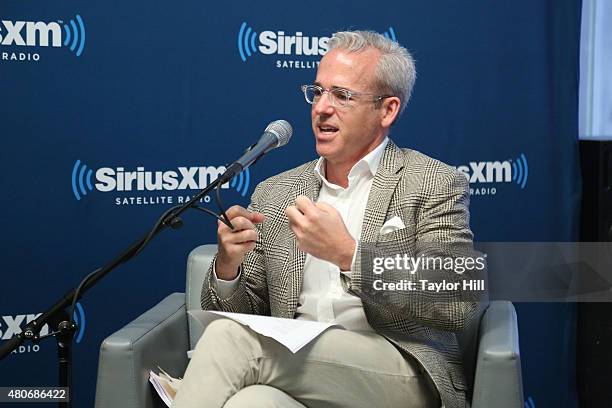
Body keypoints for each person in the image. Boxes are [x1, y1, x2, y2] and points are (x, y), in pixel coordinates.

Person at [172, 30, 478, 408]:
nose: (321, 108)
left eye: (342, 95)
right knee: (249, 403)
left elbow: (455, 299)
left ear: (388, 110)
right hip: (300, 375)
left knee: (228, 341)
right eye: (317, 92)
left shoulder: (432, 182)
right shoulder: (276, 191)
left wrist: (349, 254)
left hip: (399, 373)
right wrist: (229, 267)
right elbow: (240, 314)